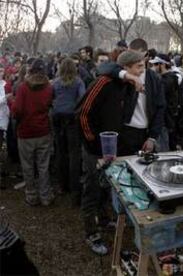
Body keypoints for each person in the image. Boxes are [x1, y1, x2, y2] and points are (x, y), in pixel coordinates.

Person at [78, 50, 146, 255]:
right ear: (126, 68)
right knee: (91, 189)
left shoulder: (127, 86)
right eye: (139, 67)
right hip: (93, 149)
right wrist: (93, 147)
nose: (142, 71)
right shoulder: (104, 82)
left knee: (106, 186)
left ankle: (105, 219)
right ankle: (91, 233)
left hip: (110, 148)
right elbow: (82, 114)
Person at [12, 59, 54, 206]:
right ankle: (46, 196)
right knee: (43, 165)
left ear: (31, 70)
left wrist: (12, 106)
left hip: (25, 132)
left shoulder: (23, 87)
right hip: (43, 131)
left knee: (28, 166)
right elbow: (50, 106)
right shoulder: (49, 87)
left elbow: (17, 110)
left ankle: (31, 196)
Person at [52, 58, 85, 206]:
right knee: (74, 154)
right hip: (72, 119)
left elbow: (51, 99)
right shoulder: (78, 82)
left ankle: (61, 185)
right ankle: (75, 189)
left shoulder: (55, 82)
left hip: (58, 118)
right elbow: (82, 99)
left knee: (60, 152)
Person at [149, 53, 180, 151]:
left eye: (155, 64)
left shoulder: (166, 81)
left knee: (162, 150)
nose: (153, 67)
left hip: (164, 121)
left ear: (162, 65)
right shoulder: (169, 78)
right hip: (166, 120)